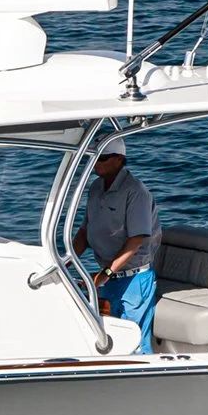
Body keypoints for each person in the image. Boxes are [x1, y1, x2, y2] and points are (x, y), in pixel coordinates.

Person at [73, 136, 161, 353]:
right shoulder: (96, 188)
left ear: (119, 160)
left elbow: (136, 240)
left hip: (133, 278)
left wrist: (106, 273)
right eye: (94, 157)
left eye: (102, 158)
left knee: (135, 344)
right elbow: (85, 231)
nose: (96, 162)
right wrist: (65, 262)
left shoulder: (136, 192)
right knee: (111, 340)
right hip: (108, 276)